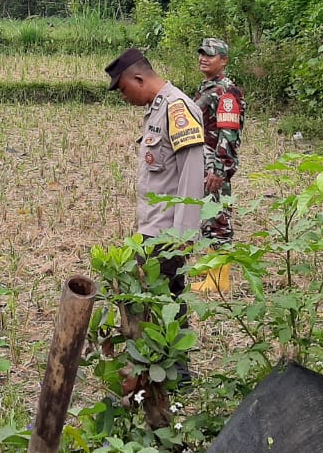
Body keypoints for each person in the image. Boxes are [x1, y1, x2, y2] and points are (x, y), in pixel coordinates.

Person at [104, 47, 206, 298]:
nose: (124, 97)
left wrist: (182, 237)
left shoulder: (177, 109)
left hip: (168, 236)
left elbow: (191, 175)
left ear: (139, 79)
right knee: (156, 304)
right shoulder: (156, 110)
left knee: (159, 303)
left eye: (124, 89)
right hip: (152, 231)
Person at [192, 38, 246, 292]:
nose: (203, 58)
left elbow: (228, 133)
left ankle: (219, 281)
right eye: (202, 53)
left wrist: (219, 169)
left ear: (224, 60)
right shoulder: (208, 87)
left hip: (214, 164)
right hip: (202, 161)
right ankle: (210, 271)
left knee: (218, 220)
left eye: (210, 55)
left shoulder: (226, 92)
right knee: (207, 217)